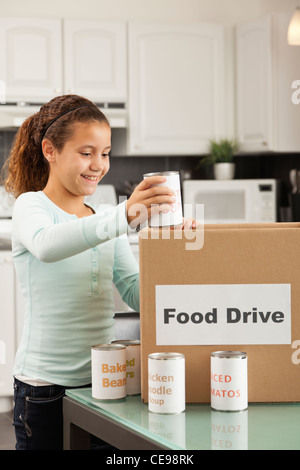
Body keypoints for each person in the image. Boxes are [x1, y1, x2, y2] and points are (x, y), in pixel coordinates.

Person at [3, 94, 196, 450]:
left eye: (105, 153)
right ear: (50, 150)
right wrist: (122, 217)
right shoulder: (32, 206)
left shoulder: (105, 217)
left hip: (104, 382)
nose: (98, 164)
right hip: (44, 388)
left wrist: (172, 253)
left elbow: (137, 293)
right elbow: (47, 245)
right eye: (86, 152)